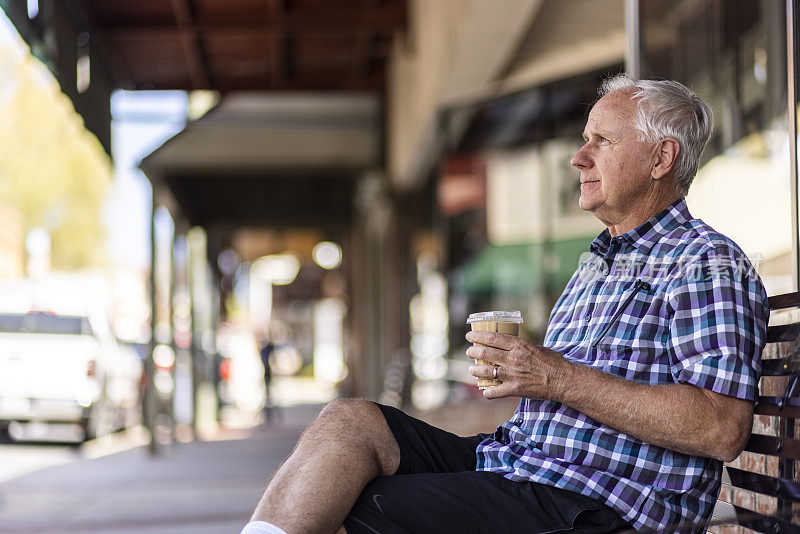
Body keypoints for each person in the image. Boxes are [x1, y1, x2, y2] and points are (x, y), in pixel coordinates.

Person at [240, 75, 769, 534]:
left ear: (661, 158)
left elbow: (720, 428)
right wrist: (527, 377)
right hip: (520, 465)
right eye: (584, 139)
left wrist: (554, 377)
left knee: (357, 512)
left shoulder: (704, 262)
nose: (578, 156)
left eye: (601, 141)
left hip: (597, 505)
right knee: (351, 422)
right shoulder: (599, 261)